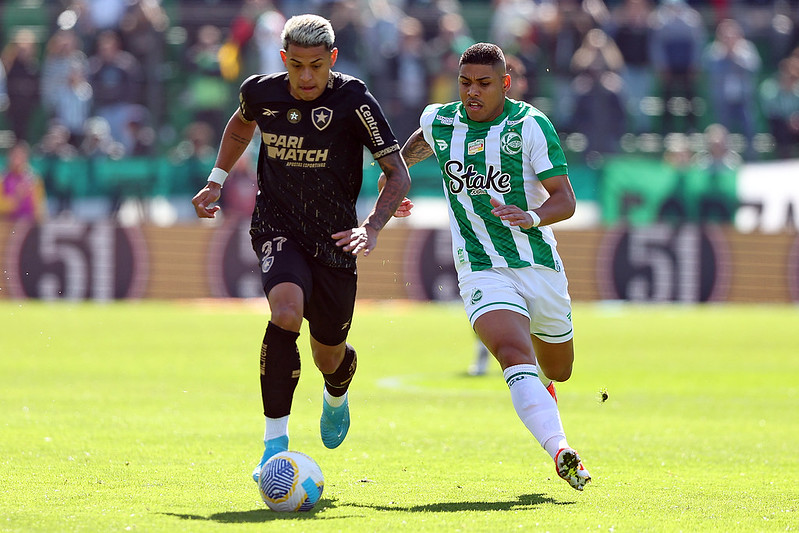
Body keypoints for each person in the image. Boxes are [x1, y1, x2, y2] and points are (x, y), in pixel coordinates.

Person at [191, 14, 411, 483]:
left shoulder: (354, 99)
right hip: (278, 225)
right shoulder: (260, 93)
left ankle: (336, 393)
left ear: (333, 59)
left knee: (328, 356)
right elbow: (239, 127)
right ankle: (274, 445)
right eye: (296, 66)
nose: (306, 77)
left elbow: (398, 173)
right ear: (283, 59)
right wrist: (216, 179)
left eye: (316, 66)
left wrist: (372, 226)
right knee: (286, 313)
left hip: (336, 239)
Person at [385, 42, 591, 491]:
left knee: (558, 369)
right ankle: (560, 449)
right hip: (480, 265)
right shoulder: (440, 120)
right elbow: (413, 150)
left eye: (483, 83)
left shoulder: (530, 125)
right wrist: (393, 182)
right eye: (465, 83)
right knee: (513, 354)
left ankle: (544, 391)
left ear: (505, 84)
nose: (472, 92)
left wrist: (531, 216)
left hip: (537, 264)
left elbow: (565, 199)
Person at [0, 141, 48, 223]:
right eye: (15, 155)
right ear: (9, 156)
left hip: (27, 222)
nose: (17, 159)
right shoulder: (3, 178)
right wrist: (16, 198)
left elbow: (39, 206)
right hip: (5, 221)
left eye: (21, 155)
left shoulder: (33, 178)